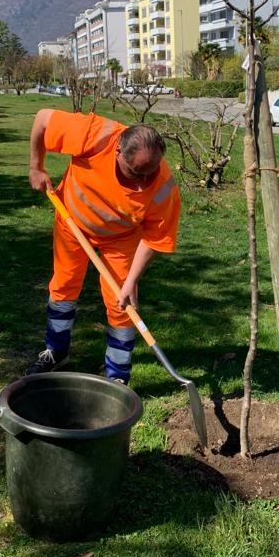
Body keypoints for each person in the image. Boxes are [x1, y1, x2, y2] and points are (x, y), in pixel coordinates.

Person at [27, 109, 181, 383]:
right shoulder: (94, 135)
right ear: (118, 151)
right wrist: (36, 167)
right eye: (135, 173)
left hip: (121, 238)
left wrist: (131, 281)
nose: (142, 184)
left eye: (149, 173)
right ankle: (56, 351)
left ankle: (118, 375)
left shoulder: (163, 188)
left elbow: (155, 239)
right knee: (64, 285)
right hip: (72, 222)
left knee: (122, 303)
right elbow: (42, 119)